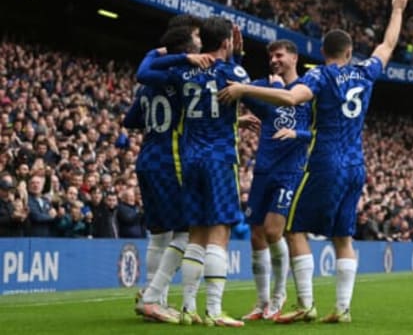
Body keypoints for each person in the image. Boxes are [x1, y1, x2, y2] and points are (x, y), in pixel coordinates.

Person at [218, 0, 413, 323]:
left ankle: (305, 303)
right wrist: (397, 9)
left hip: (325, 161)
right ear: (350, 51)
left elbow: (292, 99)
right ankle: (343, 309)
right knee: (343, 236)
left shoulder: (321, 75)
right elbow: (388, 44)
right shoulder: (366, 72)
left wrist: (244, 88)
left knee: (291, 228)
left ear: (323, 52)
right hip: (356, 165)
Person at [140, 16, 250, 327]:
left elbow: (145, 72)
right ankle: (214, 310)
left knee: (195, 234)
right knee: (219, 233)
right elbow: (246, 89)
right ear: (227, 42)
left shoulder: (183, 72)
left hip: (189, 158)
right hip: (219, 159)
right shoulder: (235, 73)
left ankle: (188, 306)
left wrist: (175, 55)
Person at [127, 16, 210, 323]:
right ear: (187, 46)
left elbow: (129, 120)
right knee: (188, 231)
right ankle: (152, 295)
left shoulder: (151, 83)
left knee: (159, 234)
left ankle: (155, 297)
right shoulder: (181, 75)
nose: (201, 43)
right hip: (169, 159)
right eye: (197, 38)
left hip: (146, 158)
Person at [240, 40, 311, 321]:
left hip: (290, 171)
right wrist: (236, 56)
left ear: (293, 58)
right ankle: (261, 302)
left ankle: (279, 297)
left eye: (279, 55)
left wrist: (298, 135)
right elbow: (241, 91)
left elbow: (319, 132)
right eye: (271, 56)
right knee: (256, 235)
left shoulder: (308, 90)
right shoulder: (265, 86)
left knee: (272, 231)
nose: (274, 60)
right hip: (263, 171)